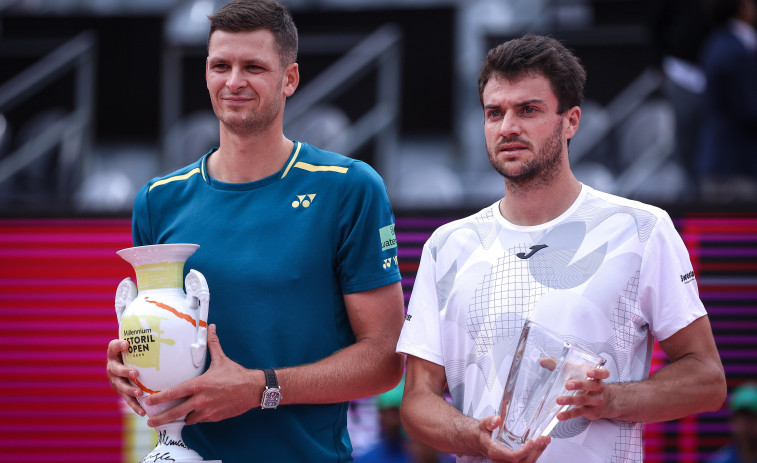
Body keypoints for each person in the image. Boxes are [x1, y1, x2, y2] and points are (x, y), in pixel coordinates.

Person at [396, 34, 727, 463]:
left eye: (528, 110)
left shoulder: (642, 229)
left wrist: (608, 399)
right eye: (494, 112)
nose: (508, 127)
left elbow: (708, 380)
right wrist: (476, 436)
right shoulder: (447, 245)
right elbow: (417, 400)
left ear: (571, 121)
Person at [105, 1, 405, 462]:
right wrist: (131, 364)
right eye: (220, 65)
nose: (234, 81)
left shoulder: (349, 187)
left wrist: (260, 388)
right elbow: (160, 335)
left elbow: (385, 360)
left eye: (254, 67)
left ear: (290, 79)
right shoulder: (158, 199)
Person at [697, 0, 757, 202]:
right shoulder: (736, 52)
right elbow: (747, 109)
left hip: (720, 163)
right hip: (736, 168)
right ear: (742, 8)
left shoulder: (717, 43)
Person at [708, 383, 757, 463]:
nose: (746, 427)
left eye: (751, 419)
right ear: (732, 422)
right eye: (742, 420)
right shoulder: (720, 460)